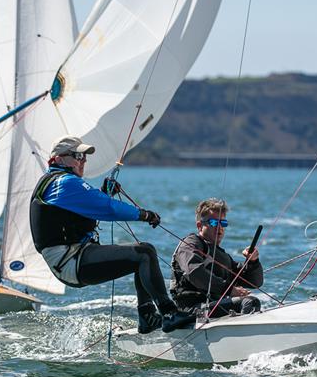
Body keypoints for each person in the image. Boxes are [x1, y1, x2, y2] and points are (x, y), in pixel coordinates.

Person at [29, 135, 194, 334]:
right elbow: (107, 208)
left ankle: (147, 316)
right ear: (59, 159)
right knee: (144, 253)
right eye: (77, 156)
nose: (83, 161)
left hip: (73, 258)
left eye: (84, 157)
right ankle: (168, 313)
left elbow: (90, 210)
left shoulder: (59, 184)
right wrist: (143, 214)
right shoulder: (63, 183)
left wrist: (104, 193)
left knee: (141, 257)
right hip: (71, 261)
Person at [170, 198, 264, 318]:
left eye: (223, 223)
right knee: (250, 302)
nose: (219, 227)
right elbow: (194, 272)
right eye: (214, 223)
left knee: (250, 302)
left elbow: (254, 282)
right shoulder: (190, 244)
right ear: (200, 226)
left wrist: (253, 262)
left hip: (213, 306)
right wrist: (229, 289)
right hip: (190, 310)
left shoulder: (222, 256)